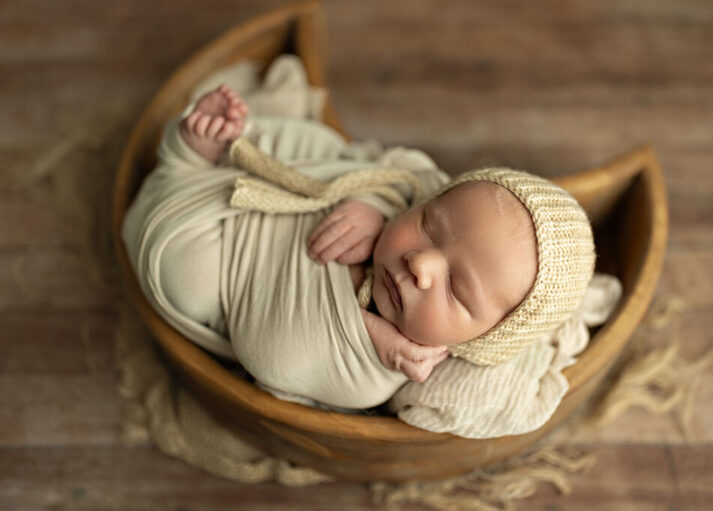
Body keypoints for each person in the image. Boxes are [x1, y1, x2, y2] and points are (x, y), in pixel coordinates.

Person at [122, 56, 594, 410]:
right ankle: (196, 151)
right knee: (324, 147)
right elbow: (401, 174)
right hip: (270, 187)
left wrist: (369, 333)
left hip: (228, 268)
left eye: (457, 288)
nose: (422, 264)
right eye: (430, 225)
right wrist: (377, 204)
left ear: (479, 341)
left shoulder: (382, 370)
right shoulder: (406, 198)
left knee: (187, 279)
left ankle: (180, 169)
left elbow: (272, 356)